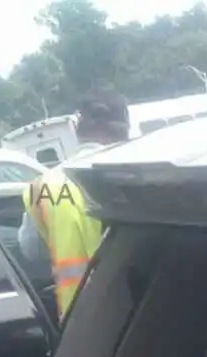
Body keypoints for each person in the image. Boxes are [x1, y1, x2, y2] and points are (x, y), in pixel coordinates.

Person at [16, 90, 131, 319]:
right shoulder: (132, 177)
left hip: (77, 321)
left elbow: (33, 251)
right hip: (132, 313)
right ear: (125, 128)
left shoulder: (43, 186)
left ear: (79, 130)